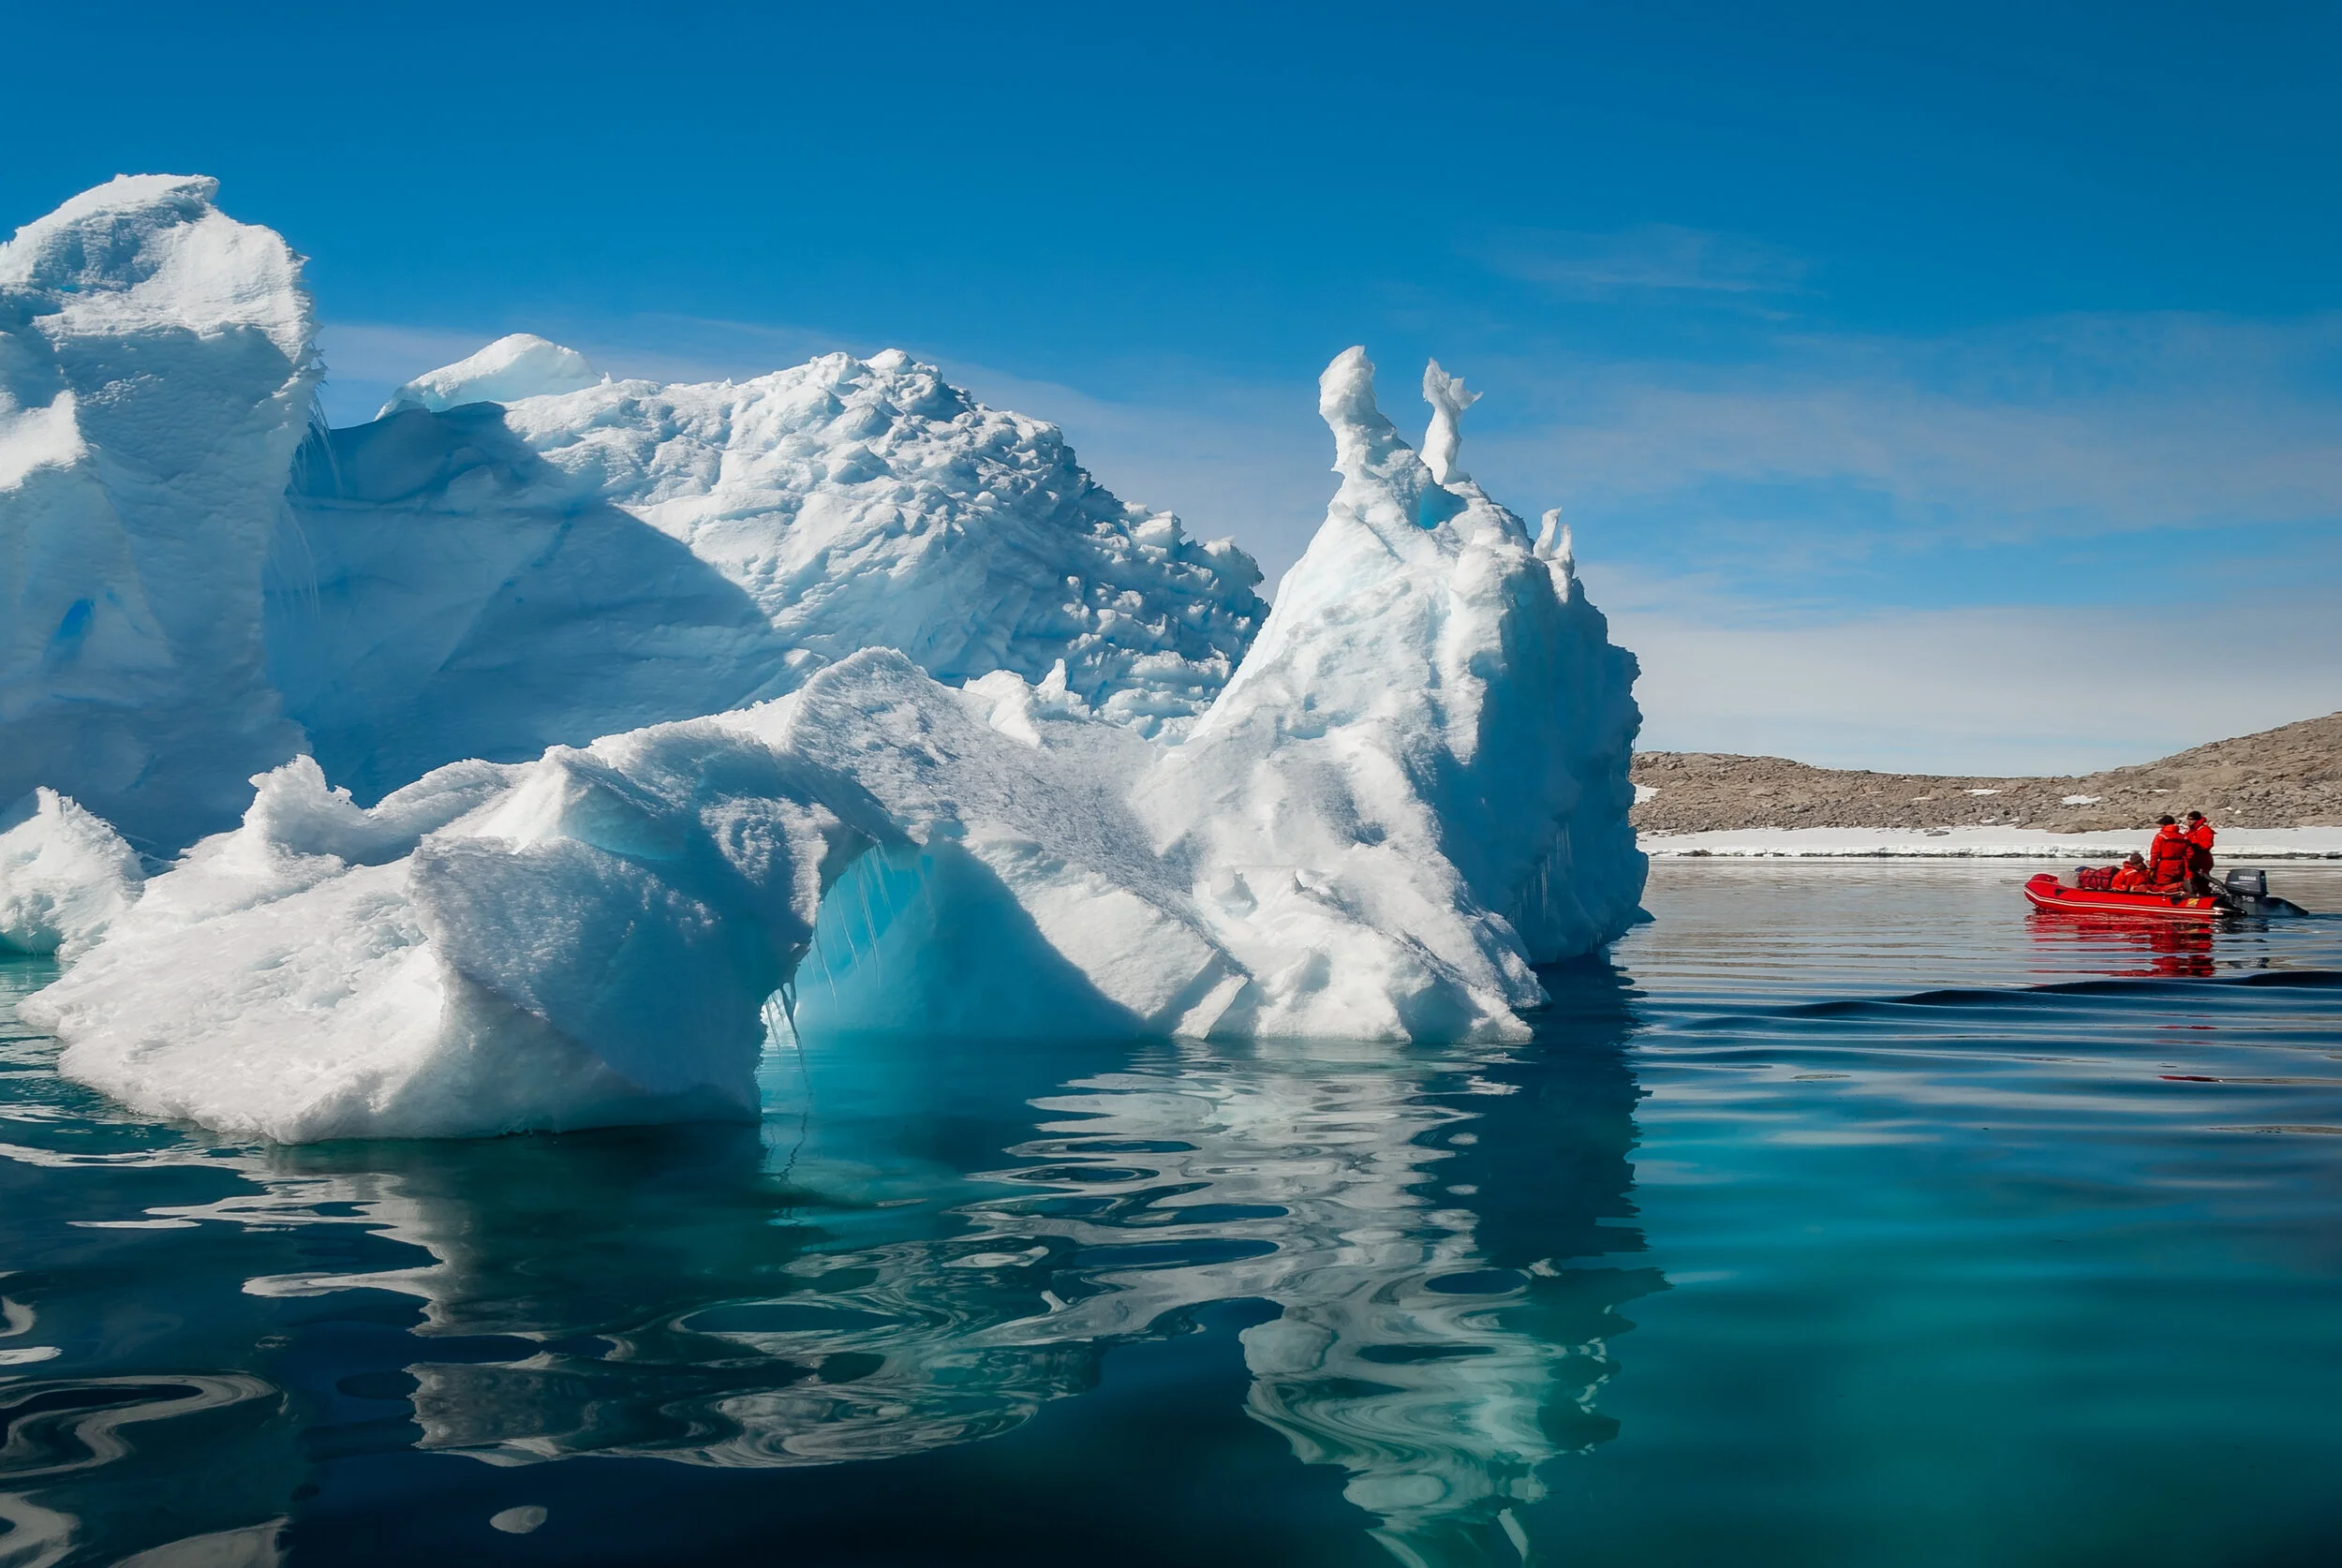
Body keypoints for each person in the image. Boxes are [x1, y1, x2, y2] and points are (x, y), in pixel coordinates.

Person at [2145, 815, 2192, 889]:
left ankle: (2180, 886)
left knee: (2162, 886)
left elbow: (2155, 853)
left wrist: (2153, 867)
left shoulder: (2160, 836)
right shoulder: (2183, 837)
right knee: (2177, 884)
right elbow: (2190, 854)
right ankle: (2182, 890)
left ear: (2163, 825)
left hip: (2165, 865)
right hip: (2180, 865)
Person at [2184, 810, 2216, 894]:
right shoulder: (2189, 831)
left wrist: (2194, 845)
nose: (2189, 821)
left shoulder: (2204, 830)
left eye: (2191, 819)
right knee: (2190, 878)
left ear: (2197, 820)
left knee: (2201, 880)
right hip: (2191, 859)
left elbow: (2207, 844)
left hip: (2201, 859)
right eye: (2188, 819)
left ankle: (2204, 895)